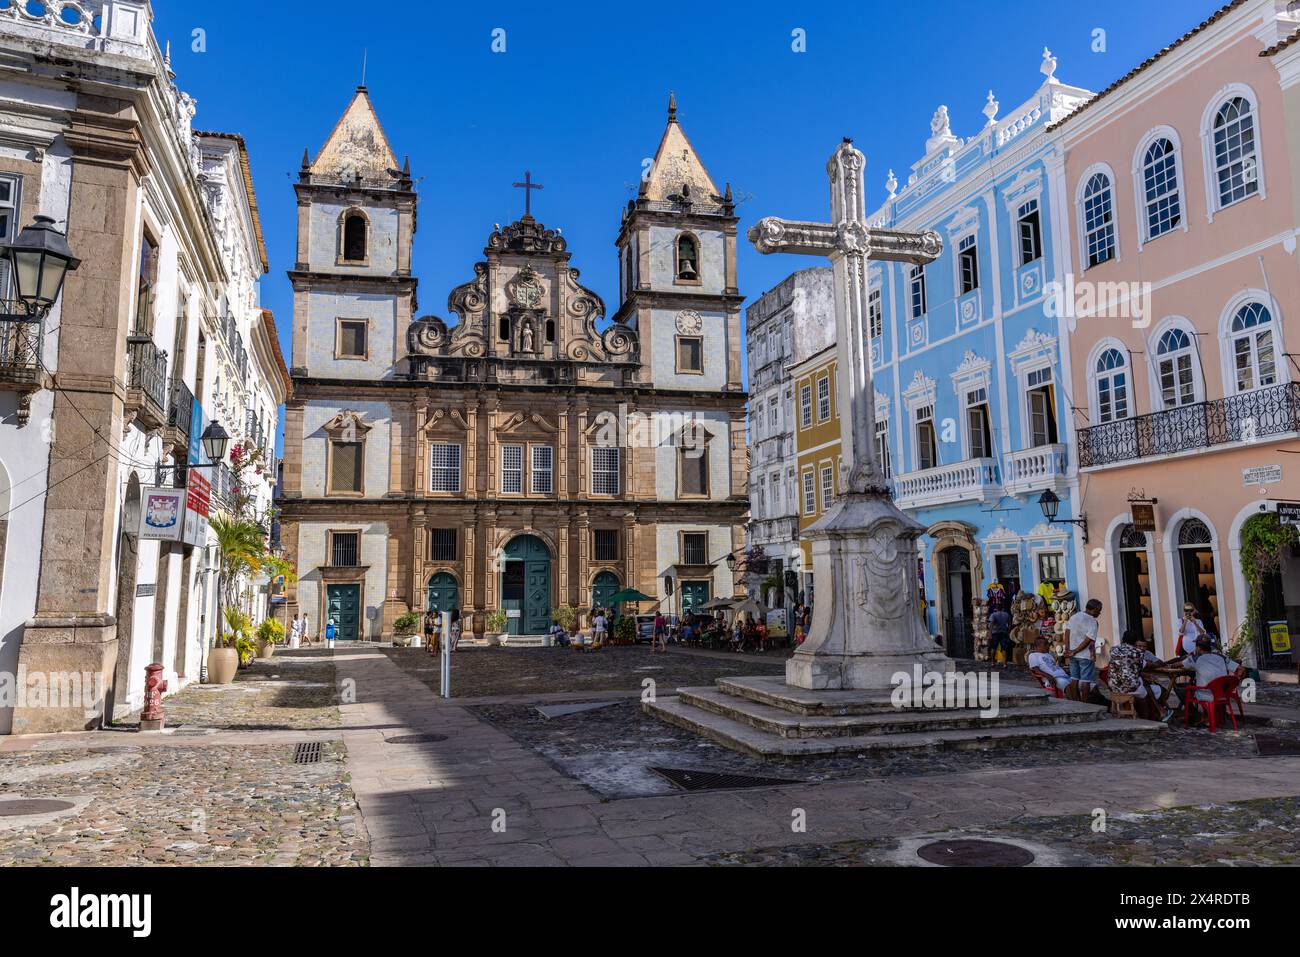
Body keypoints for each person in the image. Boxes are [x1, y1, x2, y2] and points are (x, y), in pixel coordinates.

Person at [1181, 635, 1242, 722]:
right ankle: (1210, 716)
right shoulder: (1222, 657)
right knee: (1202, 683)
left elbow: (1180, 664)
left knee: (1183, 689)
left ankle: (1197, 715)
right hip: (1222, 694)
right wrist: (1235, 682)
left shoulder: (1196, 658)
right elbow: (1240, 669)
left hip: (1206, 693)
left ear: (1198, 648)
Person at [1108, 632, 1161, 720]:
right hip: (1129, 688)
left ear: (1122, 639)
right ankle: (1149, 715)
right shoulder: (1137, 653)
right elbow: (1141, 669)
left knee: (1142, 685)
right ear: (1135, 642)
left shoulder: (1113, 649)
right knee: (1151, 689)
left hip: (1113, 686)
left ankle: (1150, 713)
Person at [1063, 598, 1103, 702]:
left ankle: (1076, 701)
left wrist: (1068, 649)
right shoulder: (1093, 621)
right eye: (1099, 610)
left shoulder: (1074, 617)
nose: (1100, 612)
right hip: (1084, 656)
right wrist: (1090, 652)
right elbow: (1089, 641)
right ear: (1094, 609)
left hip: (1072, 655)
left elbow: (1067, 632)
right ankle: (1084, 703)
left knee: (1074, 679)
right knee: (1086, 681)